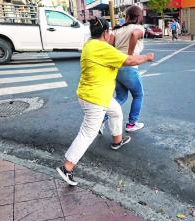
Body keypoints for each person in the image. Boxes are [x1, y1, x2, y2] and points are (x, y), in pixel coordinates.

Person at [57, 17, 154, 186]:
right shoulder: (102, 48)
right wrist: (146, 57)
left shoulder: (90, 44)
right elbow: (130, 61)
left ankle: (117, 141)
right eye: (110, 33)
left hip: (94, 94)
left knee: (116, 111)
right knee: (88, 133)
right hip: (95, 98)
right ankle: (67, 167)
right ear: (105, 33)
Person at [101, 5, 146, 133]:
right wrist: (130, 55)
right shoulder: (139, 28)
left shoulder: (116, 31)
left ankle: (100, 120)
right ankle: (132, 123)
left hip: (116, 68)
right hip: (129, 67)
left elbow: (109, 47)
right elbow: (134, 35)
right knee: (138, 95)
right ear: (139, 17)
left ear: (126, 17)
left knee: (121, 96)